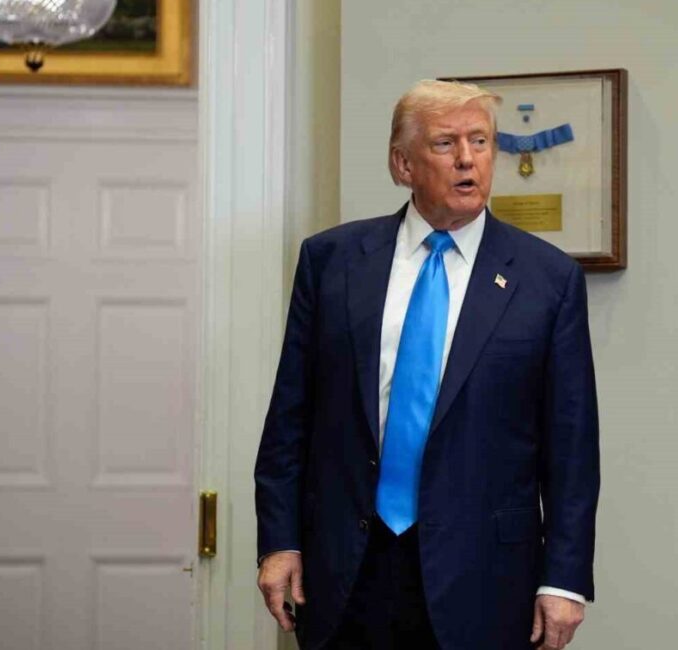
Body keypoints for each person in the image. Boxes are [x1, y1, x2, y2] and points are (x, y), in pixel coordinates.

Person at [254, 79, 600, 650]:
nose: (467, 159)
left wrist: (564, 578)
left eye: (481, 142)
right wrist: (279, 541)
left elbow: (572, 448)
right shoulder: (332, 261)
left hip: (484, 576)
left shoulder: (548, 279)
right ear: (403, 164)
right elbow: (290, 419)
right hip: (346, 569)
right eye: (445, 143)